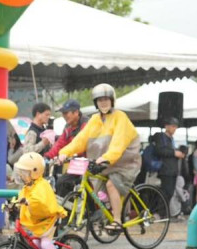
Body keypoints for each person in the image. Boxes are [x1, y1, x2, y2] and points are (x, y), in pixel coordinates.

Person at [58, 83, 141, 233]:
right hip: (107, 163)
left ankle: (117, 220)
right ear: (96, 103)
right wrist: (65, 152)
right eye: (100, 100)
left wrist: (106, 158)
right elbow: (80, 140)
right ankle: (105, 212)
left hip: (125, 162)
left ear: (112, 100)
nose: (103, 103)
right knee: (95, 188)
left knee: (111, 185)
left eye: (106, 99)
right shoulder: (95, 120)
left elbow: (118, 143)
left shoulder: (120, 117)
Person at [13, 152, 68, 249]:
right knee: (36, 243)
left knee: (44, 243)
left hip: (49, 218)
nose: (21, 175)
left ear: (35, 172)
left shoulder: (42, 185)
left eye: (24, 173)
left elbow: (41, 202)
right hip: (40, 221)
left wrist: (29, 202)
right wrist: (13, 203)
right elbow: (21, 196)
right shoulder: (28, 186)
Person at [45, 99, 87, 196]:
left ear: (76, 112)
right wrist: (47, 156)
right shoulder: (68, 127)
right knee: (61, 183)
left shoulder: (86, 124)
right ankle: (66, 210)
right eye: (63, 113)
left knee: (89, 189)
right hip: (77, 165)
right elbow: (60, 143)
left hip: (90, 163)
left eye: (66, 113)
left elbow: (81, 143)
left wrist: (66, 154)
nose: (64, 116)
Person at [151, 117, 185, 214]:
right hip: (165, 170)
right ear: (166, 126)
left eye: (176, 127)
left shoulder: (171, 139)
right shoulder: (161, 137)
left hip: (173, 170)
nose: (174, 129)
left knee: (170, 193)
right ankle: (160, 213)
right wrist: (174, 153)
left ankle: (164, 214)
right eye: (173, 126)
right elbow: (159, 150)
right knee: (165, 193)